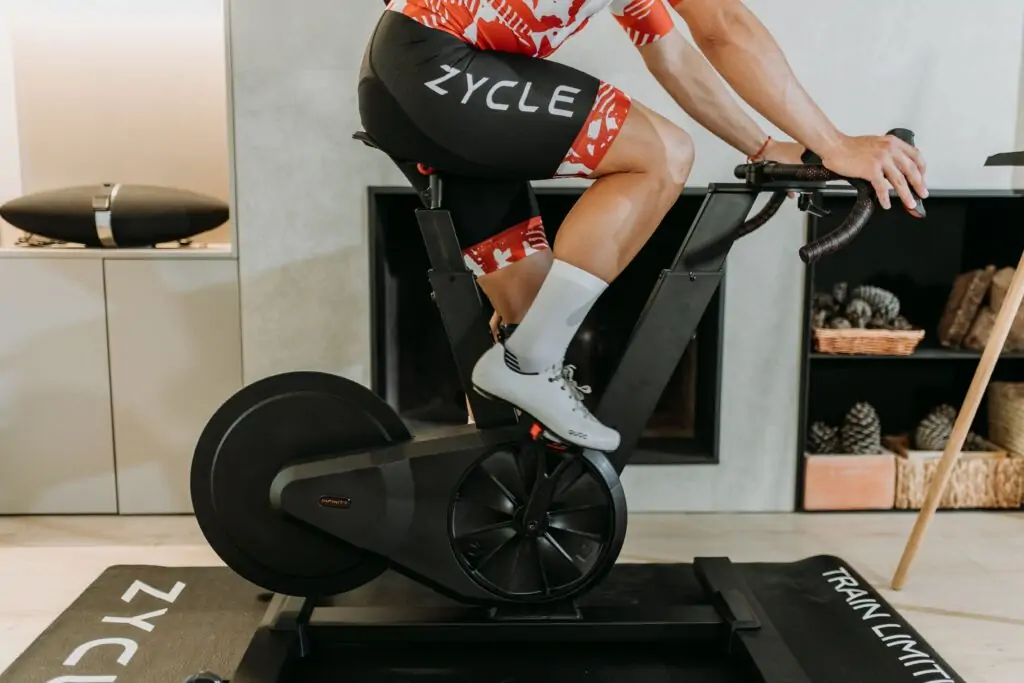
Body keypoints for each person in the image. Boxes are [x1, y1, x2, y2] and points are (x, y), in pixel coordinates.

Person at [358, 0, 929, 453]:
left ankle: (490, 493)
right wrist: (834, 143)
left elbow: (672, 55)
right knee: (662, 153)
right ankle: (529, 365)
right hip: (439, 67)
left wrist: (762, 145)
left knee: (529, 316)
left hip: (411, 81)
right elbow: (723, 27)